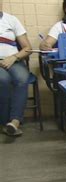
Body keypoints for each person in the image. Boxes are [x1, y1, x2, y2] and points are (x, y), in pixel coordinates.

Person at [0, 7, 33, 136]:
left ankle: (14, 122)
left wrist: (13, 57)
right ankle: (5, 122)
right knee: (3, 80)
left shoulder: (11, 20)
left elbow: (27, 48)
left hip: (14, 61)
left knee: (22, 78)